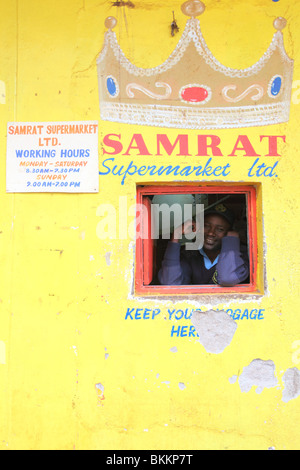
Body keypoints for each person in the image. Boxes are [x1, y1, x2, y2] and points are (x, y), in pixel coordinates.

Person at [158, 203, 249, 286]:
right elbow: (170, 283)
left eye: (220, 229)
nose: (211, 233)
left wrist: (232, 240)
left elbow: (228, 278)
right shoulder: (189, 255)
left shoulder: (242, 255)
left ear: (228, 233)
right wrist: (176, 235)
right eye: (206, 226)